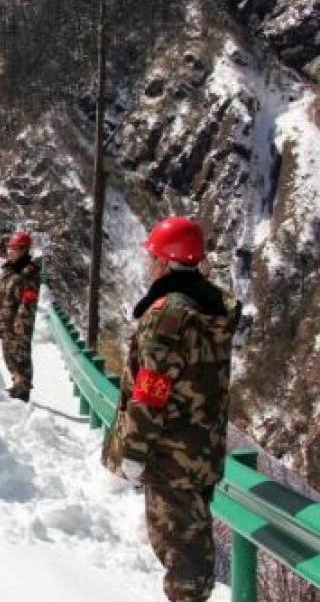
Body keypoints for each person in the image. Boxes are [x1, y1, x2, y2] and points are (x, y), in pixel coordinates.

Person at [103, 217, 241, 602]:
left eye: (153, 256)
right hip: (201, 451)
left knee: (181, 559)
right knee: (192, 552)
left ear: (166, 261)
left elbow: (152, 389)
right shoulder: (210, 306)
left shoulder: (168, 314)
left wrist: (134, 452)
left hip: (169, 458)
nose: (149, 263)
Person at [0, 230, 41, 402]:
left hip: (18, 323)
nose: (10, 251)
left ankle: (23, 389)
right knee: (9, 354)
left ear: (24, 250)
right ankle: (17, 383)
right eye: (9, 247)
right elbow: (2, 296)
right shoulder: (10, 270)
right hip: (7, 320)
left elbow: (28, 301)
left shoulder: (29, 273)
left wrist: (21, 323)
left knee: (20, 355)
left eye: (15, 248)